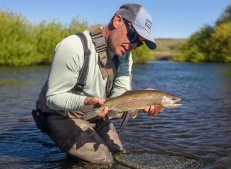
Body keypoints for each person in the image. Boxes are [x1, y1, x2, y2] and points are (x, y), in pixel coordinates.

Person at [33, 3, 163, 164]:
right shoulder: (73, 47)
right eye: (134, 36)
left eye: (140, 43)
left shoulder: (124, 55)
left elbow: (120, 95)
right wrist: (86, 101)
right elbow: (52, 98)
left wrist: (142, 99)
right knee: (103, 161)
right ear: (117, 21)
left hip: (97, 110)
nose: (134, 46)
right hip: (60, 113)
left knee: (119, 156)